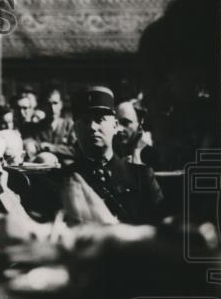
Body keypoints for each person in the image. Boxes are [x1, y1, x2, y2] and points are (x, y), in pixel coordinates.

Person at [55, 86, 164, 226]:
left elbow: (160, 229)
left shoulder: (142, 177)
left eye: (100, 119)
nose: (92, 127)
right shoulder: (61, 181)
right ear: (75, 129)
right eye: (85, 121)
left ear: (115, 125)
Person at [113, 99, 156, 166]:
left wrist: (136, 152)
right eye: (116, 123)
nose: (118, 129)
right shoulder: (112, 149)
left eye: (125, 123)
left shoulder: (152, 155)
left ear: (139, 122)